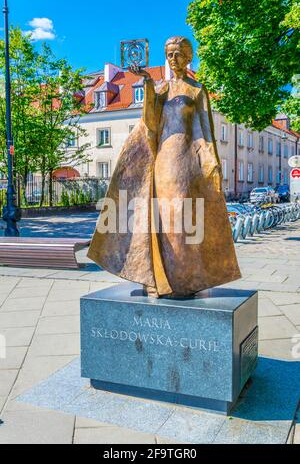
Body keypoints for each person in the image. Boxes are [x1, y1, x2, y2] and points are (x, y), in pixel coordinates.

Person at [88, 36, 241, 298]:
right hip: (162, 162)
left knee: (183, 219)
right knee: (159, 218)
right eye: (170, 54)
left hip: (186, 161)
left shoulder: (197, 89)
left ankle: (183, 278)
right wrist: (147, 82)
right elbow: (150, 122)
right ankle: (157, 279)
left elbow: (204, 129)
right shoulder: (159, 89)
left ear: (189, 56)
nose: (174, 58)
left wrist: (211, 160)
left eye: (179, 53)